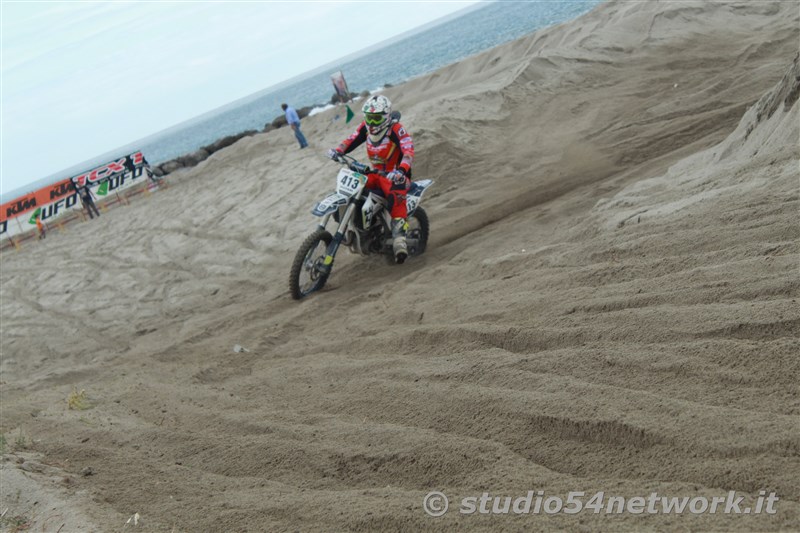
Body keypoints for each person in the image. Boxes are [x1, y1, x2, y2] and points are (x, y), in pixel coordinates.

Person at [327, 94, 414, 264]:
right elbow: (351, 140)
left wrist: (401, 170)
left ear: (386, 116)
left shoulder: (396, 130)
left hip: (395, 176)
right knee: (352, 186)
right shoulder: (365, 128)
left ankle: (399, 238)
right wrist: (338, 151)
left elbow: (408, 151)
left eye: (375, 119)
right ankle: (360, 226)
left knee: (396, 193)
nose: (372, 123)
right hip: (376, 174)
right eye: (369, 118)